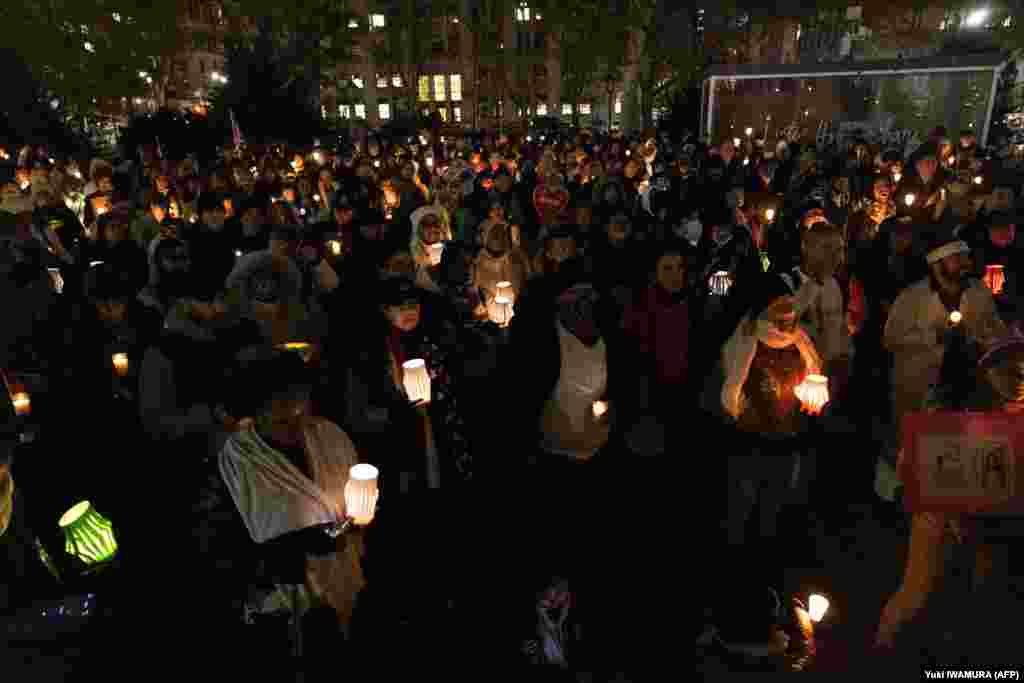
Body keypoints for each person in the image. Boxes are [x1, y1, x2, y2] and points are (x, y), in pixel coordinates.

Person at [875, 333, 1024, 649]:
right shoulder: (953, 408)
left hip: (997, 520)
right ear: (987, 370)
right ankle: (883, 650)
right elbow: (913, 462)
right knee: (916, 589)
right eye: (1010, 369)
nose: (1020, 376)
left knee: (985, 590)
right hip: (941, 514)